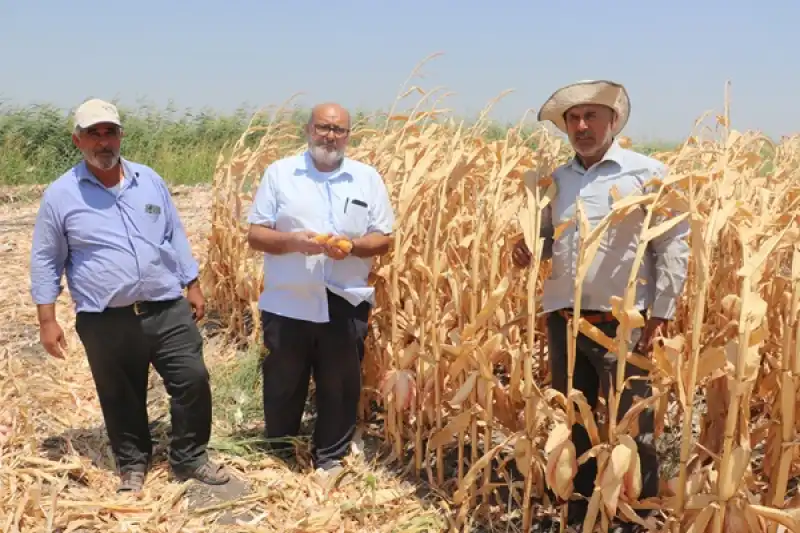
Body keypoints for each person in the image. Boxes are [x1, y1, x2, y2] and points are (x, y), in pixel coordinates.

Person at [512, 81, 689, 532]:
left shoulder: (646, 174)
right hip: (565, 320)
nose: (582, 126)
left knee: (634, 425)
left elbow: (671, 246)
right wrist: (528, 245)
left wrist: (663, 311)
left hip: (624, 322)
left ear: (613, 123)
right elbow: (547, 236)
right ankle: (580, 509)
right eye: (574, 118)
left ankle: (638, 515)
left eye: (592, 116)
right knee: (576, 419)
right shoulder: (558, 180)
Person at [29, 98, 229, 494]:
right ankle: (133, 464)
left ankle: (190, 458)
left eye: (110, 132)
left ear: (121, 135)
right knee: (121, 393)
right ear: (77, 141)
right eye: (93, 134)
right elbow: (46, 259)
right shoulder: (61, 195)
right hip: (107, 318)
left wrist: (193, 283)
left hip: (166, 306)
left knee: (192, 379)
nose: (103, 142)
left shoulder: (149, 180)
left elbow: (174, 234)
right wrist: (47, 320)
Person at [246, 102, 395, 477]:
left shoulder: (367, 178)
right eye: (323, 127)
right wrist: (295, 242)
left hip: (345, 299)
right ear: (308, 129)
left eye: (339, 130)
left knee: (339, 384)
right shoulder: (280, 174)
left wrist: (351, 247)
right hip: (289, 299)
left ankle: (330, 456)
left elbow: (383, 239)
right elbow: (256, 234)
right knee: (283, 381)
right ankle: (281, 450)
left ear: (349, 135)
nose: (330, 136)